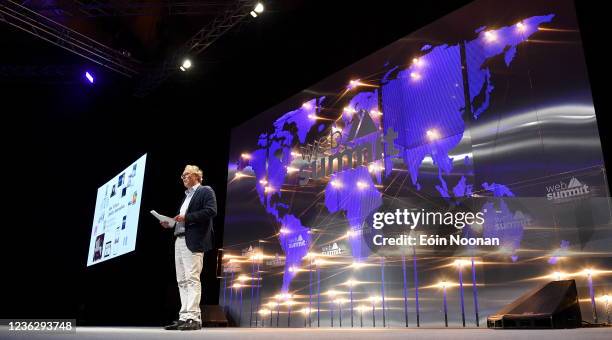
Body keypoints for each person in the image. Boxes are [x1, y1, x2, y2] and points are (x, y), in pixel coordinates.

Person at [160, 165, 217, 331]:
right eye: (182, 175)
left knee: (192, 278)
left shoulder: (205, 191)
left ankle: (193, 317)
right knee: (181, 280)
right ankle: (184, 316)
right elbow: (183, 219)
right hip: (179, 239)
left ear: (196, 176)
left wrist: (186, 217)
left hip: (194, 240)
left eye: (186, 174)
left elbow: (211, 211)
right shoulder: (186, 197)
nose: (183, 177)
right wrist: (171, 223)